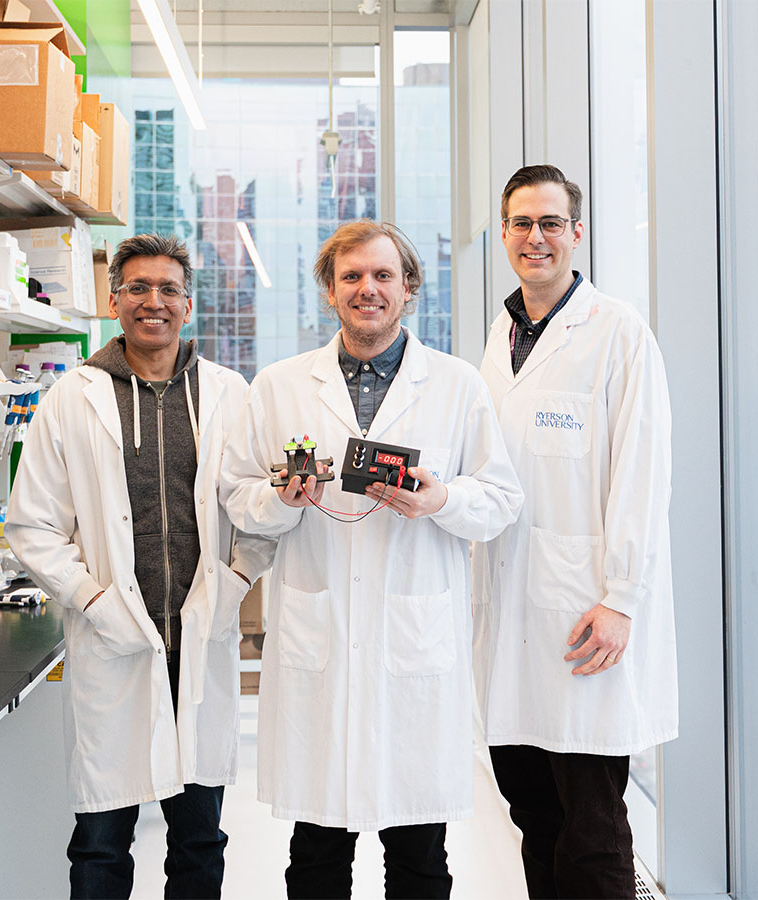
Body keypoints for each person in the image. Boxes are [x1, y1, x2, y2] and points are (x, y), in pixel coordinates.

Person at [220, 220, 523, 899]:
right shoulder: (278, 386)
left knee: (419, 860)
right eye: (352, 276)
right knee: (316, 858)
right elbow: (239, 497)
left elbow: (501, 498)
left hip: (411, 650)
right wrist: (286, 500)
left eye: (383, 276)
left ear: (409, 288)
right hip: (316, 643)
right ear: (331, 290)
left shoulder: (456, 385)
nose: (368, 290)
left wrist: (441, 500)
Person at [6, 233, 273, 900]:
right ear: (114, 299)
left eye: (168, 290)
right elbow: (33, 525)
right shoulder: (73, 397)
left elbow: (259, 517)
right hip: (115, 647)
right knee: (100, 842)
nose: (153, 302)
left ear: (188, 303)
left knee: (200, 839)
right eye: (138, 289)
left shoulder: (228, 395)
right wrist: (94, 602)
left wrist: (235, 582)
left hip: (199, 642)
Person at [472, 165, 678, 900]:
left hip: (586, 616)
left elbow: (643, 474)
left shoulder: (618, 331)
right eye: (522, 223)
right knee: (533, 813)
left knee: (592, 828)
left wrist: (622, 596)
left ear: (576, 233)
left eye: (551, 223)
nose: (536, 238)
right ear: (503, 235)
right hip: (510, 615)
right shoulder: (498, 337)